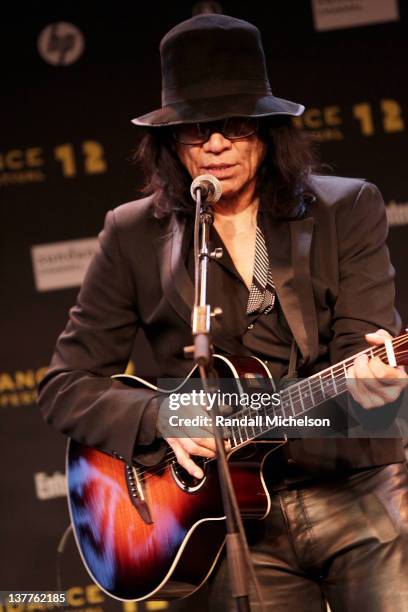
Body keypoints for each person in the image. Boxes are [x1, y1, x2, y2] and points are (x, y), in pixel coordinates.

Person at [38, 13, 408, 612]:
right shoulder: (132, 234)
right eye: (195, 129)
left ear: (266, 130)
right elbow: (65, 386)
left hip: (356, 493)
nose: (215, 145)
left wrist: (374, 391)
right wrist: (163, 416)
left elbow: (362, 364)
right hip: (229, 523)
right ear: (169, 142)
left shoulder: (347, 208)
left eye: (234, 125)